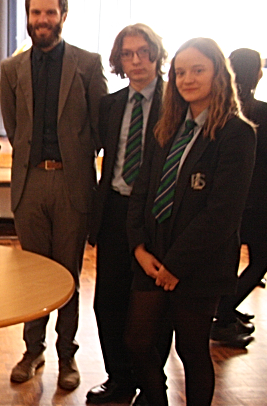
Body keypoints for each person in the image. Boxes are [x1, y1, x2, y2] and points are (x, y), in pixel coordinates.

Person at [126, 38, 256, 406]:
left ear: (218, 73)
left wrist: (176, 266)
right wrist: (138, 247)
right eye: (180, 72)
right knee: (137, 342)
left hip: (199, 263)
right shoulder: (167, 128)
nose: (187, 79)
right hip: (151, 256)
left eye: (197, 70)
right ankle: (156, 400)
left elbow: (222, 213)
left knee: (192, 349)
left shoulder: (236, 133)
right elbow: (142, 192)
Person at [0, 0, 108, 389]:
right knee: (32, 276)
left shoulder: (87, 63)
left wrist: (77, 155)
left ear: (63, 15)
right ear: (27, 17)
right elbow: (13, 126)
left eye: (49, 12)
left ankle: (67, 355)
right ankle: (32, 350)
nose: (41, 20)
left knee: (67, 275)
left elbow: (100, 126)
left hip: (72, 183)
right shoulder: (11, 69)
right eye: (35, 13)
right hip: (28, 186)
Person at [87, 24, 171, 405]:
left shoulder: (177, 102)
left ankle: (153, 380)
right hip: (115, 212)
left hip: (158, 217)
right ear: (118, 60)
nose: (136, 60)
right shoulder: (110, 104)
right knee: (108, 300)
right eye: (127, 54)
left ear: (156, 54)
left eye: (143, 52)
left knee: (153, 306)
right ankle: (118, 377)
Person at [210, 48, 267, 347]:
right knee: (261, 260)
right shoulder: (260, 109)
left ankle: (227, 313)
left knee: (227, 261)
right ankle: (223, 311)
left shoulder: (219, 107)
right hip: (255, 199)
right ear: (257, 73)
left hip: (226, 199)